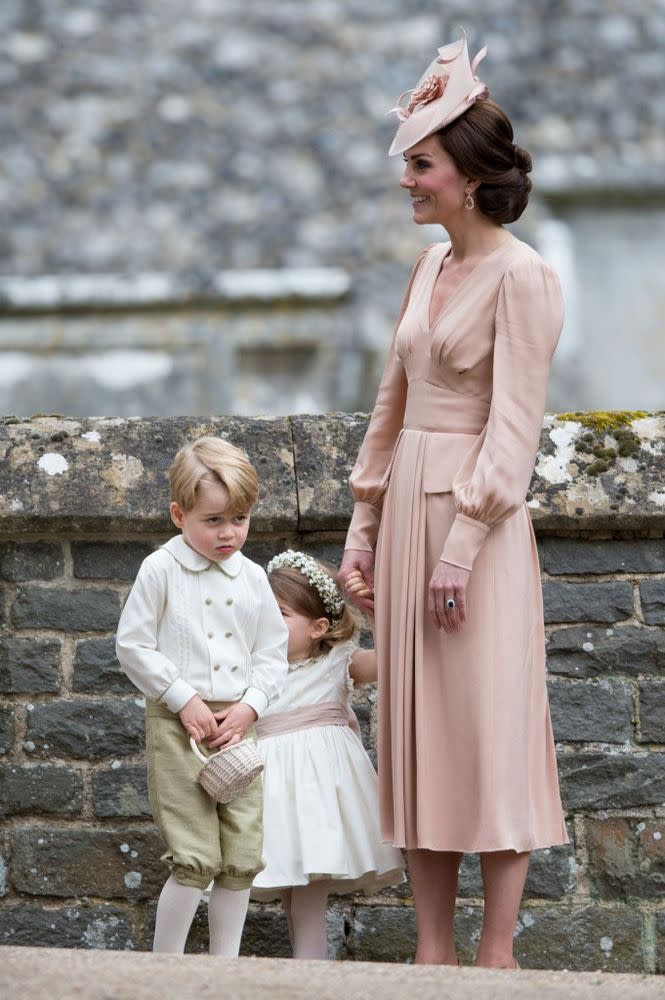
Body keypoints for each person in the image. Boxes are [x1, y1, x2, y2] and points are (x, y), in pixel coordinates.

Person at [338, 30, 569, 969]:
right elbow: (388, 412)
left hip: (475, 533)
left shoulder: (525, 278)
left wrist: (460, 548)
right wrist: (362, 530)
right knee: (418, 736)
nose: (407, 180)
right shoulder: (427, 270)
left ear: (468, 176)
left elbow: (514, 430)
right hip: (403, 526)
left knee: (489, 727)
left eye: (420, 164)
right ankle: (430, 953)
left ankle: (495, 951)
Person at [116, 436, 288, 956]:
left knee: (240, 853)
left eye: (239, 518)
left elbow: (273, 654)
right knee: (195, 854)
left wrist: (250, 705)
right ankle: (166, 967)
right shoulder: (160, 569)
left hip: (238, 726)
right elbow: (133, 644)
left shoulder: (254, 577)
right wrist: (183, 697)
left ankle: (223, 969)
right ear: (178, 514)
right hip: (179, 725)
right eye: (213, 520)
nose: (228, 532)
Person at [251, 550, 404, 959]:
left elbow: (390, 660)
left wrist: (372, 608)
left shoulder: (339, 661)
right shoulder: (255, 668)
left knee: (307, 897)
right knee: (291, 891)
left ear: (318, 627)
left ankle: (310, 973)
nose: (267, 622)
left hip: (321, 791)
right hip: (274, 792)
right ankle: (307, 969)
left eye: (280, 614)